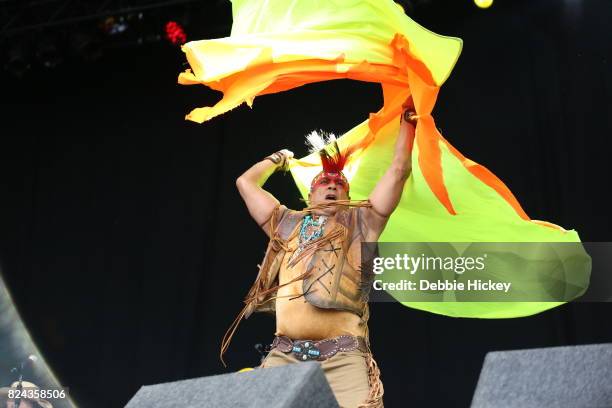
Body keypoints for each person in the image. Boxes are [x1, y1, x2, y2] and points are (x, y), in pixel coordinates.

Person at [220, 97, 418, 407]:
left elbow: (398, 170)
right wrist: (277, 159)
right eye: (323, 181)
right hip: (285, 355)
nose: (331, 185)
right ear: (310, 195)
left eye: (338, 183)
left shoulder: (363, 222)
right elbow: (245, 183)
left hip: (342, 357)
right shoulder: (286, 224)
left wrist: (408, 121)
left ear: (347, 194)